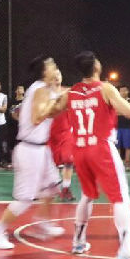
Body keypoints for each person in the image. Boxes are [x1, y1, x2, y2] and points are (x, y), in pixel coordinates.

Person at [63, 51, 130, 259]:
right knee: (121, 197)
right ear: (96, 66)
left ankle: (78, 242)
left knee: (87, 195)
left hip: (80, 149)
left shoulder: (71, 92)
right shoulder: (105, 88)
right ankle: (125, 250)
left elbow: (50, 111)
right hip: (101, 147)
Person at [0, 55, 68, 250]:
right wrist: (59, 100)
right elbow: (38, 117)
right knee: (24, 199)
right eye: (52, 65)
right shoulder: (40, 89)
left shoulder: (44, 89)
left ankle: (42, 224)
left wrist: (62, 101)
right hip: (30, 149)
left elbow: (50, 112)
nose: (55, 68)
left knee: (51, 188)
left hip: (41, 149)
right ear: (44, 71)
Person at [49, 69, 76, 201]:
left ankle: (66, 188)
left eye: (58, 74)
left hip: (66, 132)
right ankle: (49, 188)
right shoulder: (44, 94)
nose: (56, 77)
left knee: (69, 160)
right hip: (49, 133)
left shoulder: (68, 92)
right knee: (50, 163)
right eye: (53, 76)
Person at [116, 86, 130, 166]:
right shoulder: (116, 101)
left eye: (125, 90)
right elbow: (115, 112)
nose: (123, 92)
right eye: (121, 91)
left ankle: (127, 162)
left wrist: (122, 112)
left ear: (128, 91)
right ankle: (118, 162)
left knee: (128, 146)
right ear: (119, 92)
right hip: (117, 126)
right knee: (117, 146)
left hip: (127, 127)